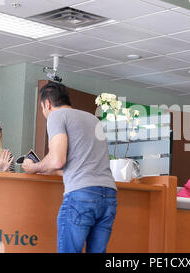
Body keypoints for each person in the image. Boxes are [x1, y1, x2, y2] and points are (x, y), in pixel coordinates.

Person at [22, 81, 117, 253]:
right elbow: (80, 161)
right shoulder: (93, 119)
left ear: (47, 104)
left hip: (82, 195)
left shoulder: (56, 116)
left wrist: (34, 167)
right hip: (109, 195)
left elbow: (58, 160)